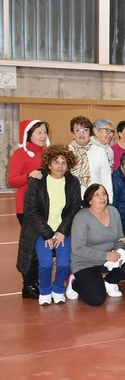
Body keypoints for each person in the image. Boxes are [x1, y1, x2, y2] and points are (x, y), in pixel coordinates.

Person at [18, 145, 82, 305]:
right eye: (56, 162)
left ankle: (58, 289)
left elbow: (74, 209)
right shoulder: (37, 181)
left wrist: (62, 231)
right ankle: (45, 290)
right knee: (46, 264)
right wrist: (47, 233)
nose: (60, 166)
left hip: (62, 230)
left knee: (64, 263)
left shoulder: (73, 182)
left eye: (64, 162)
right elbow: (31, 210)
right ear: (49, 164)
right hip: (41, 231)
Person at [68, 184, 125, 305]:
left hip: (107, 261)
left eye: (104, 194)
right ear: (89, 200)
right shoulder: (81, 218)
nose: (102, 197)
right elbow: (78, 248)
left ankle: (110, 281)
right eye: (97, 195)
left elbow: (119, 238)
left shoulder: (113, 212)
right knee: (97, 299)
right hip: (85, 262)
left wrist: (119, 253)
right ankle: (74, 283)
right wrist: (106, 256)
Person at [9, 119, 49, 298]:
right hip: (26, 208)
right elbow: (12, 180)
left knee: (41, 246)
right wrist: (28, 175)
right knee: (30, 247)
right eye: (39, 132)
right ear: (29, 135)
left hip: (45, 207)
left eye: (45, 132)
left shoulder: (48, 153)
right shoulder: (20, 154)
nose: (43, 135)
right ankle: (29, 284)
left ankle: (38, 281)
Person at [69, 115, 113, 200]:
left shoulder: (99, 151)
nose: (82, 134)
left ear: (90, 133)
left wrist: (109, 199)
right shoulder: (67, 152)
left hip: (94, 199)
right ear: (73, 134)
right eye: (78, 130)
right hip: (72, 198)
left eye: (85, 130)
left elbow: (106, 177)